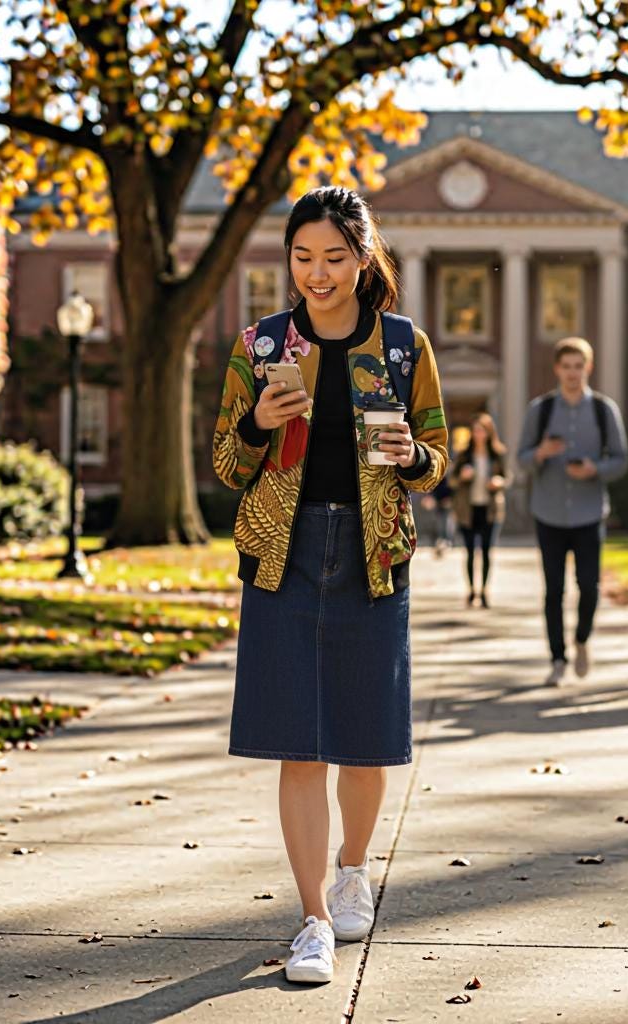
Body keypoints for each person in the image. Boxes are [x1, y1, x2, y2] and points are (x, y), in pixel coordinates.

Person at [211, 186, 448, 985]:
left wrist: (413, 456)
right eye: (302, 257)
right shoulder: (261, 344)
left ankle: (354, 868)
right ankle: (314, 917)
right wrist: (258, 425)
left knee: (366, 740)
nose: (317, 273)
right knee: (298, 742)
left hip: (375, 558)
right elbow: (225, 466)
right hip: (284, 554)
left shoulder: (405, 346)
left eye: (334, 258)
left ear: (363, 257)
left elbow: (437, 457)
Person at [517, 337, 628, 686]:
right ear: (557, 369)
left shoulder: (603, 409)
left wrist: (594, 469)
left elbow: (621, 459)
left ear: (588, 368)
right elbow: (520, 460)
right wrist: (542, 453)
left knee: (589, 587)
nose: (572, 373)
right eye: (566, 366)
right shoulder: (542, 409)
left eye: (578, 366)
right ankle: (557, 658)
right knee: (554, 590)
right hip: (548, 512)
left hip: (589, 512)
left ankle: (581, 640)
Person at [450, 412, 511, 607]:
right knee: (469, 551)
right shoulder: (464, 455)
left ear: (488, 432)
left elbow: (507, 478)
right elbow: (451, 481)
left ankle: (484, 591)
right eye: (475, 430)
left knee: (486, 551)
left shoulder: (497, 454)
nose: (478, 434)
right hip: (468, 510)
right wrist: (463, 477)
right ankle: (471, 590)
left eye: (482, 430)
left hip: (490, 509)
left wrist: (499, 482)